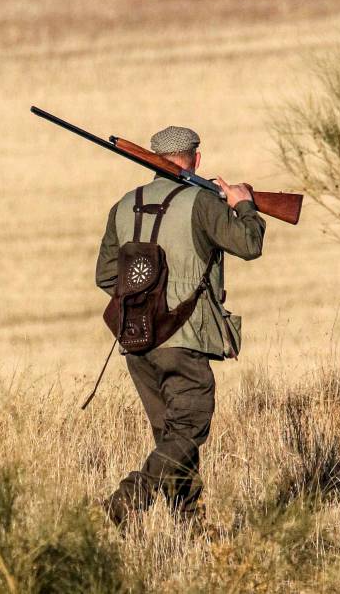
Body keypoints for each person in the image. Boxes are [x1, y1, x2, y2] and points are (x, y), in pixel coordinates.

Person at [94, 125, 265, 527]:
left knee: (172, 438)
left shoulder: (124, 204)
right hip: (184, 337)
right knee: (188, 428)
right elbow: (250, 244)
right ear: (196, 160)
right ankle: (128, 498)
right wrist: (243, 205)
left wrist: (144, 294)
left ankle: (189, 525)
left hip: (137, 340)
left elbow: (105, 276)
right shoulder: (201, 203)